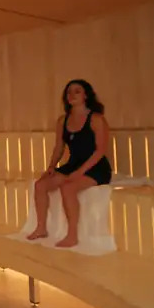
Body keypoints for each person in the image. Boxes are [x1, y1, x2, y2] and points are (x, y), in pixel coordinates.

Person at [27, 79, 112, 248]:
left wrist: (80, 173)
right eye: (69, 92)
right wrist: (51, 167)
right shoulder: (63, 121)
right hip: (73, 164)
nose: (72, 95)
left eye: (77, 91)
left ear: (86, 95)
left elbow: (100, 151)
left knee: (68, 188)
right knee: (40, 185)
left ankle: (72, 235)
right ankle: (41, 227)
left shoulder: (96, 119)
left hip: (95, 167)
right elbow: (59, 146)